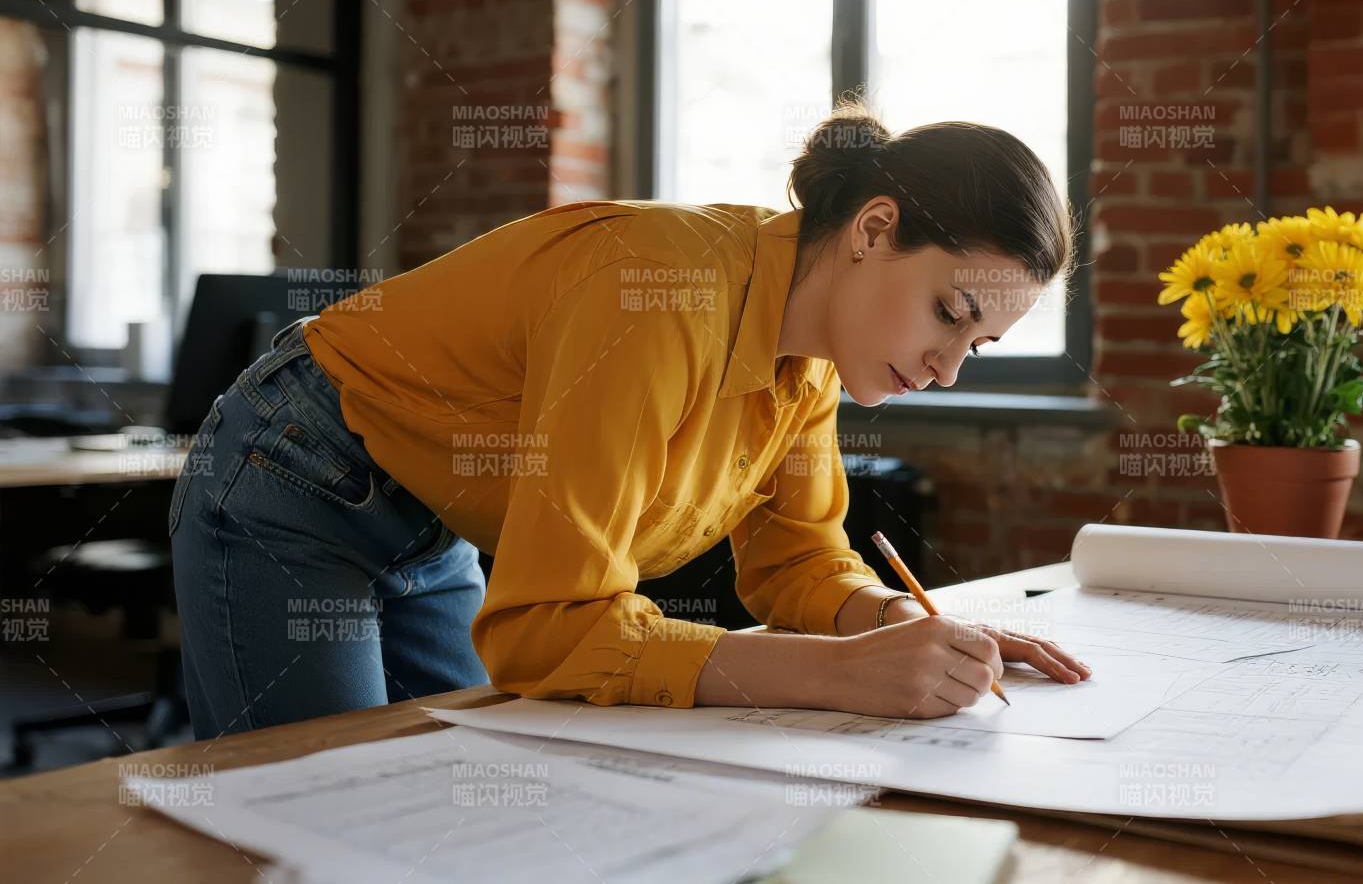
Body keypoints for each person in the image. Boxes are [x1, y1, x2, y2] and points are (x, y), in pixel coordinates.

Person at [168, 97, 1090, 739]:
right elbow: (550, 628)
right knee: (318, 806)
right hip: (297, 464)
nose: (947, 369)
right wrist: (846, 675)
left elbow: (799, 561)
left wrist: (894, 626)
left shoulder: (811, 365)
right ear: (875, 228)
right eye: (950, 314)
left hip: (430, 515)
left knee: (448, 783)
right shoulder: (660, 298)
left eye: (981, 347)